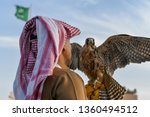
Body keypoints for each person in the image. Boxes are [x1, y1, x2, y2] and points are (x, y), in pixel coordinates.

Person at [13, 16, 87, 100]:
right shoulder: (65, 79)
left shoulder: (27, 84)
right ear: (63, 47)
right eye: (69, 44)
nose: (71, 47)